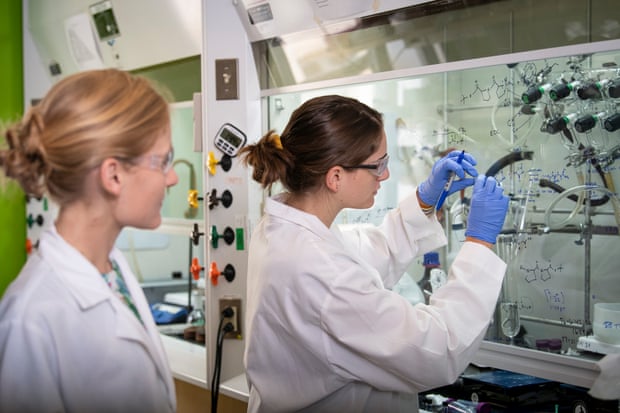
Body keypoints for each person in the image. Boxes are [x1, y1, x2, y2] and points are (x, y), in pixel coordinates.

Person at [240, 95, 509, 413]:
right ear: (336, 176)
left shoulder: (284, 225)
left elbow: (362, 257)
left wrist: (423, 202)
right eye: (378, 165)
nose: (385, 175)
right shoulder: (321, 270)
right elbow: (436, 349)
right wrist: (479, 245)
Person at [0, 69, 178, 413]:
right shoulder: (29, 320)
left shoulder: (111, 270)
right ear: (113, 175)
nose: (171, 178)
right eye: (163, 161)